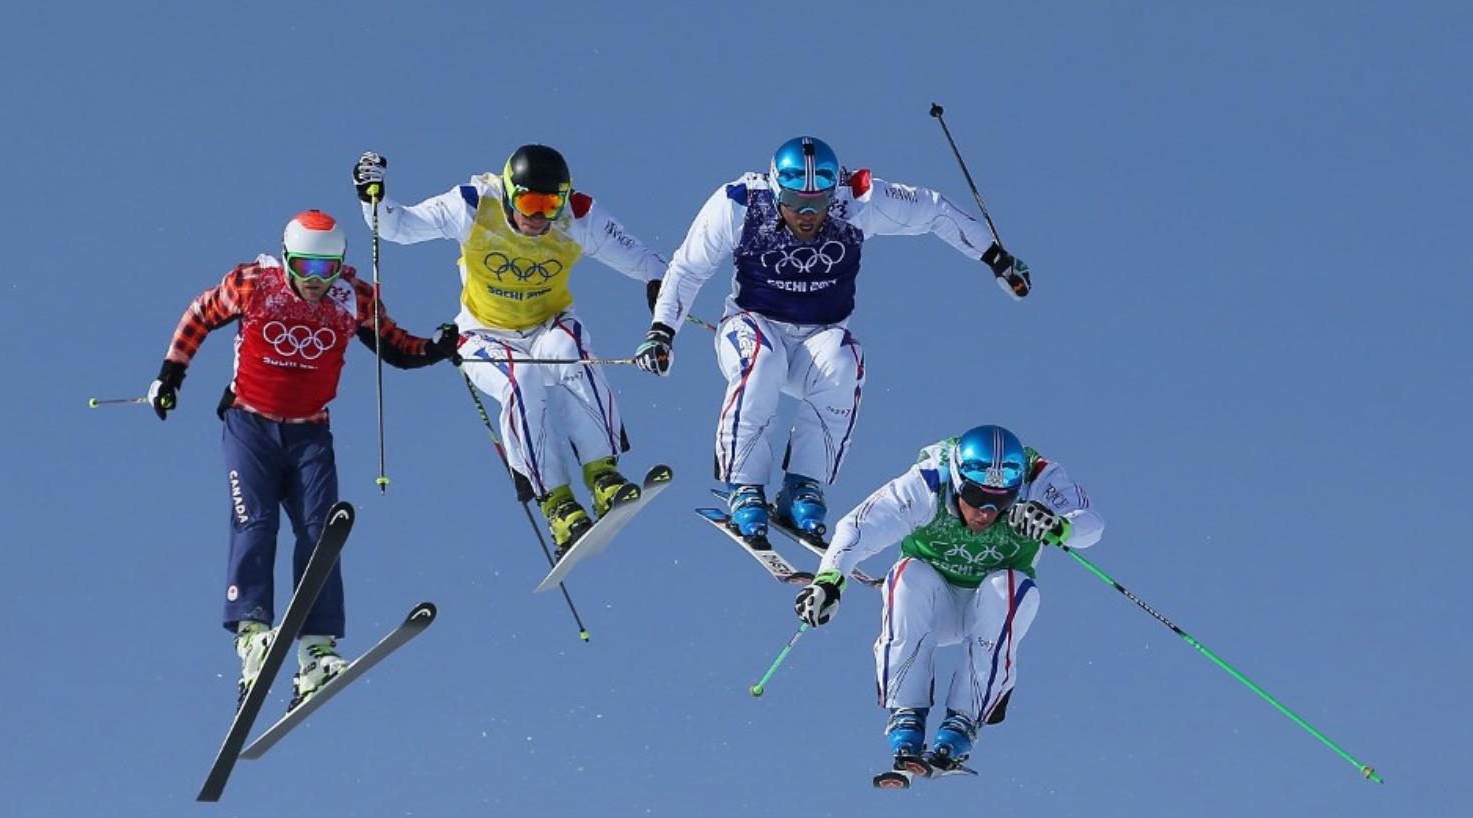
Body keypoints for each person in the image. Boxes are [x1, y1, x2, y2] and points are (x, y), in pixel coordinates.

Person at [634, 136, 1033, 545]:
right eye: (794, 200)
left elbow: (933, 210)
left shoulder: (856, 202)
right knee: (762, 363)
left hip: (819, 337)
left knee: (846, 362)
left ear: (833, 191)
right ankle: (745, 485)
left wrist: (996, 259)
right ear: (775, 190)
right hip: (752, 326)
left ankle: (802, 485)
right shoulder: (739, 204)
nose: (807, 214)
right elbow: (687, 268)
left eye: (818, 201)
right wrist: (662, 331)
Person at [146, 210, 458, 709]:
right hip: (250, 425)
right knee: (256, 524)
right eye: (307, 267)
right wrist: (170, 375)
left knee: (321, 533)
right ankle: (252, 635)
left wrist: (436, 349)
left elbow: (395, 347)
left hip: (311, 432)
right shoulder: (254, 284)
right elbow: (200, 314)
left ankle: (316, 651)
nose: (316, 281)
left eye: (328, 268)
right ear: (288, 259)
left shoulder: (351, 297)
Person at [351, 145, 667, 553]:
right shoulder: (471, 205)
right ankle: (557, 503)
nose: (539, 217)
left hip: (546, 324)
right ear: (509, 193)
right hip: (484, 334)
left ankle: (602, 472)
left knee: (568, 347)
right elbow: (399, 228)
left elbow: (646, 260)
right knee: (521, 380)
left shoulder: (579, 218)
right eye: (531, 202)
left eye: (550, 203)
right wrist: (371, 195)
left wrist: (659, 288)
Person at [791, 424, 1103, 779]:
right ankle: (907, 715)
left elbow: (1091, 524)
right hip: (933, 604)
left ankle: (963, 721)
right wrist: (830, 581)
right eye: (975, 495)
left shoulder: (1038, 477)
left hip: (987, 611)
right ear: (957, 480)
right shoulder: (928, 482)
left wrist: (1059, 525)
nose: (986, 511)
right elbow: (859, 528)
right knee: (907, 576)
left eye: (1001, 501)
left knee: (1011, 587)